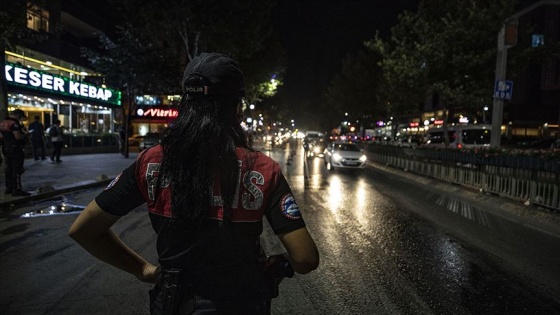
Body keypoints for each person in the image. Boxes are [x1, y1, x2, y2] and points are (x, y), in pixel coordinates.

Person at [69, 52, 320, 314]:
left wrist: (142, 269)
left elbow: (83, 230)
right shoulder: (262, 169)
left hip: (173, 304)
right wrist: (279, 262)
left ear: (185, 103)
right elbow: (305, 258)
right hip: (242, 303)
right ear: (237, 107)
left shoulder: (151, 162)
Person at [0, 109, 31, 196]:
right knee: (17, 169)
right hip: (16, 149)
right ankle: (16, 189)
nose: (21, 119)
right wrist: (26, 135)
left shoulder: (2, 123)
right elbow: (18, 137)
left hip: (6, 148)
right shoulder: (14, 124)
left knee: (8, 169)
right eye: (21, 117)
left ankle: (8, 188)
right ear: (18, 115)